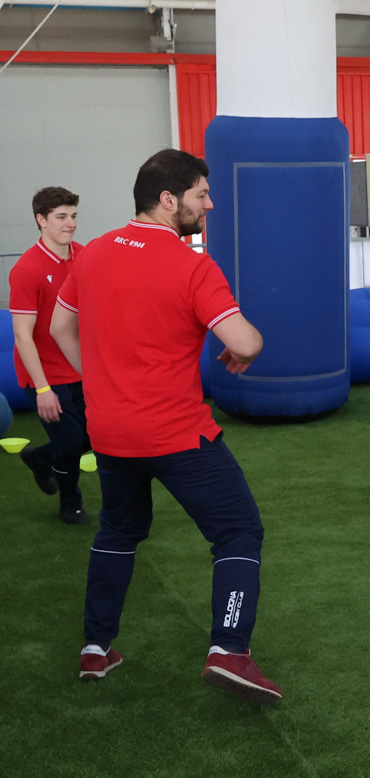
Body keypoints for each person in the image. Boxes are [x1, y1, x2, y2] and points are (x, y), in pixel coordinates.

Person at [49, 149, 281, 704]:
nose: (210, 204)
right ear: (169, 200)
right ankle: (229, 650)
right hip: (176, 432)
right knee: (238, 532)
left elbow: (59, 327)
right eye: (202, 194)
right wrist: (247, 348)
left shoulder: (93, 253)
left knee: (117, 532)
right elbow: (245, 341)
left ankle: (96, 648)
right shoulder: (192, 265)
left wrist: (102, 382)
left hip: (110, 431)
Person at [8, 186, 91, 525]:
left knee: (95, 434)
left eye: (73, 215)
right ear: (41, 220)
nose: (70, 223)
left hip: (82, 367)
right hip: (45, 374)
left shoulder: (85, 256)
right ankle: (70, 503)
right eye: (61, 217)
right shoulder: (27, 269)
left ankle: (40, 459)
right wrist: (42, 389)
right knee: (70, 443)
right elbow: (22, 335)